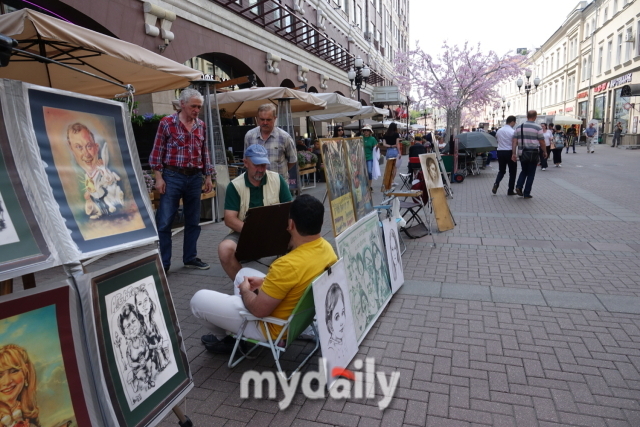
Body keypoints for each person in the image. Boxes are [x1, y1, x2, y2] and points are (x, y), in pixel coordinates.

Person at [191, 195, 337, 353]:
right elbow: (297, 280)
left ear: (291, 224)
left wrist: (245, 291)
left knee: (198, 300)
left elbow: (258, 310)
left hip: (271, 328)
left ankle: (229, 340)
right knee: (243, 273)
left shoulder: (286, 265)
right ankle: (235, 321)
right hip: (297, 319)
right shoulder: (327, 249)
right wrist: (266, 282)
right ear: (321, 223)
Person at [149, 88, 214, 273]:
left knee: (193, 220)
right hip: (172, 176)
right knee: (165, 221)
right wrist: (159, 178)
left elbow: (205, 152)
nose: (196, 110)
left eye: (199, 107)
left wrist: (208, 176)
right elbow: (157, 152)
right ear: (182, 104)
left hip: (194, 177)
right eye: (193, 106)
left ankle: (190, 258)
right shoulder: (167, 123)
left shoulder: (201, 125)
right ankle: (164, 262)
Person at [218, 144, 292, 280]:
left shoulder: (277, 180)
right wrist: (254, 232)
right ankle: (246, 285)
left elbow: (291, 210)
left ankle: (288, 283)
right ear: (245, 163)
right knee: (225, 250)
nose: (260, 169)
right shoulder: (235, 185)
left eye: (263, 165)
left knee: (302, 239)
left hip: (275, 230)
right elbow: (229, 219)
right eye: (256, 165)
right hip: (244, 232)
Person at [67, 123, 125, 220]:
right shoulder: (81, 177)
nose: (86, 154)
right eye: (78, 147)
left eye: (89, 146)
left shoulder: (105, 170)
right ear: (72, 151)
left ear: (96, 148)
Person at [244, 103, 297, 179]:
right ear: (257, 119)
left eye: (268, 120)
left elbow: (292, 160)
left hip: (278, 183)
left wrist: (281, 173)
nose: (265, 122)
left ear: (275, 118)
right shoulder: (249, 136)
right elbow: (247, 160)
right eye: (262, 119)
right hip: (257, 183)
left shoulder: (284, 137)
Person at [0, 345, 39, 427]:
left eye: (14, 371)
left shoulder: (26, 411)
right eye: (0, 376)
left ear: (26, 372)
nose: (7, 382)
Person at [512, 110, 546, 199]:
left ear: (527, 116)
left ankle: (519, 186)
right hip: (533, 153)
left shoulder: (519, 127)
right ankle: (526, 193)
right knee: (531, 173)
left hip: (522, 153)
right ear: (535, 117)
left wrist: (513, 153)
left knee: (524, 171)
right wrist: (545, 151)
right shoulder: (538, 128)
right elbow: (542, 142)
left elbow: (514, 142)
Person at [492, 115, 517, 196]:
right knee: (512, 172)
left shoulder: (499, 130)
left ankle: (496, 183)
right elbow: (514, 143)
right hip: (509, 151)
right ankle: (510, 190)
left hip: (500, 151)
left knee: (501, 171)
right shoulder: (512, 131)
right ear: (512, 121)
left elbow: (497, 139)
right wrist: (514, 154)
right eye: (514, 122)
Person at [325, 283, 346, 354]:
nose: (342, 321)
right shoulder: (331, 350)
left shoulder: (344, 339)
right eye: (337, 317)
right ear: (330, 324)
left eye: (343, 313)